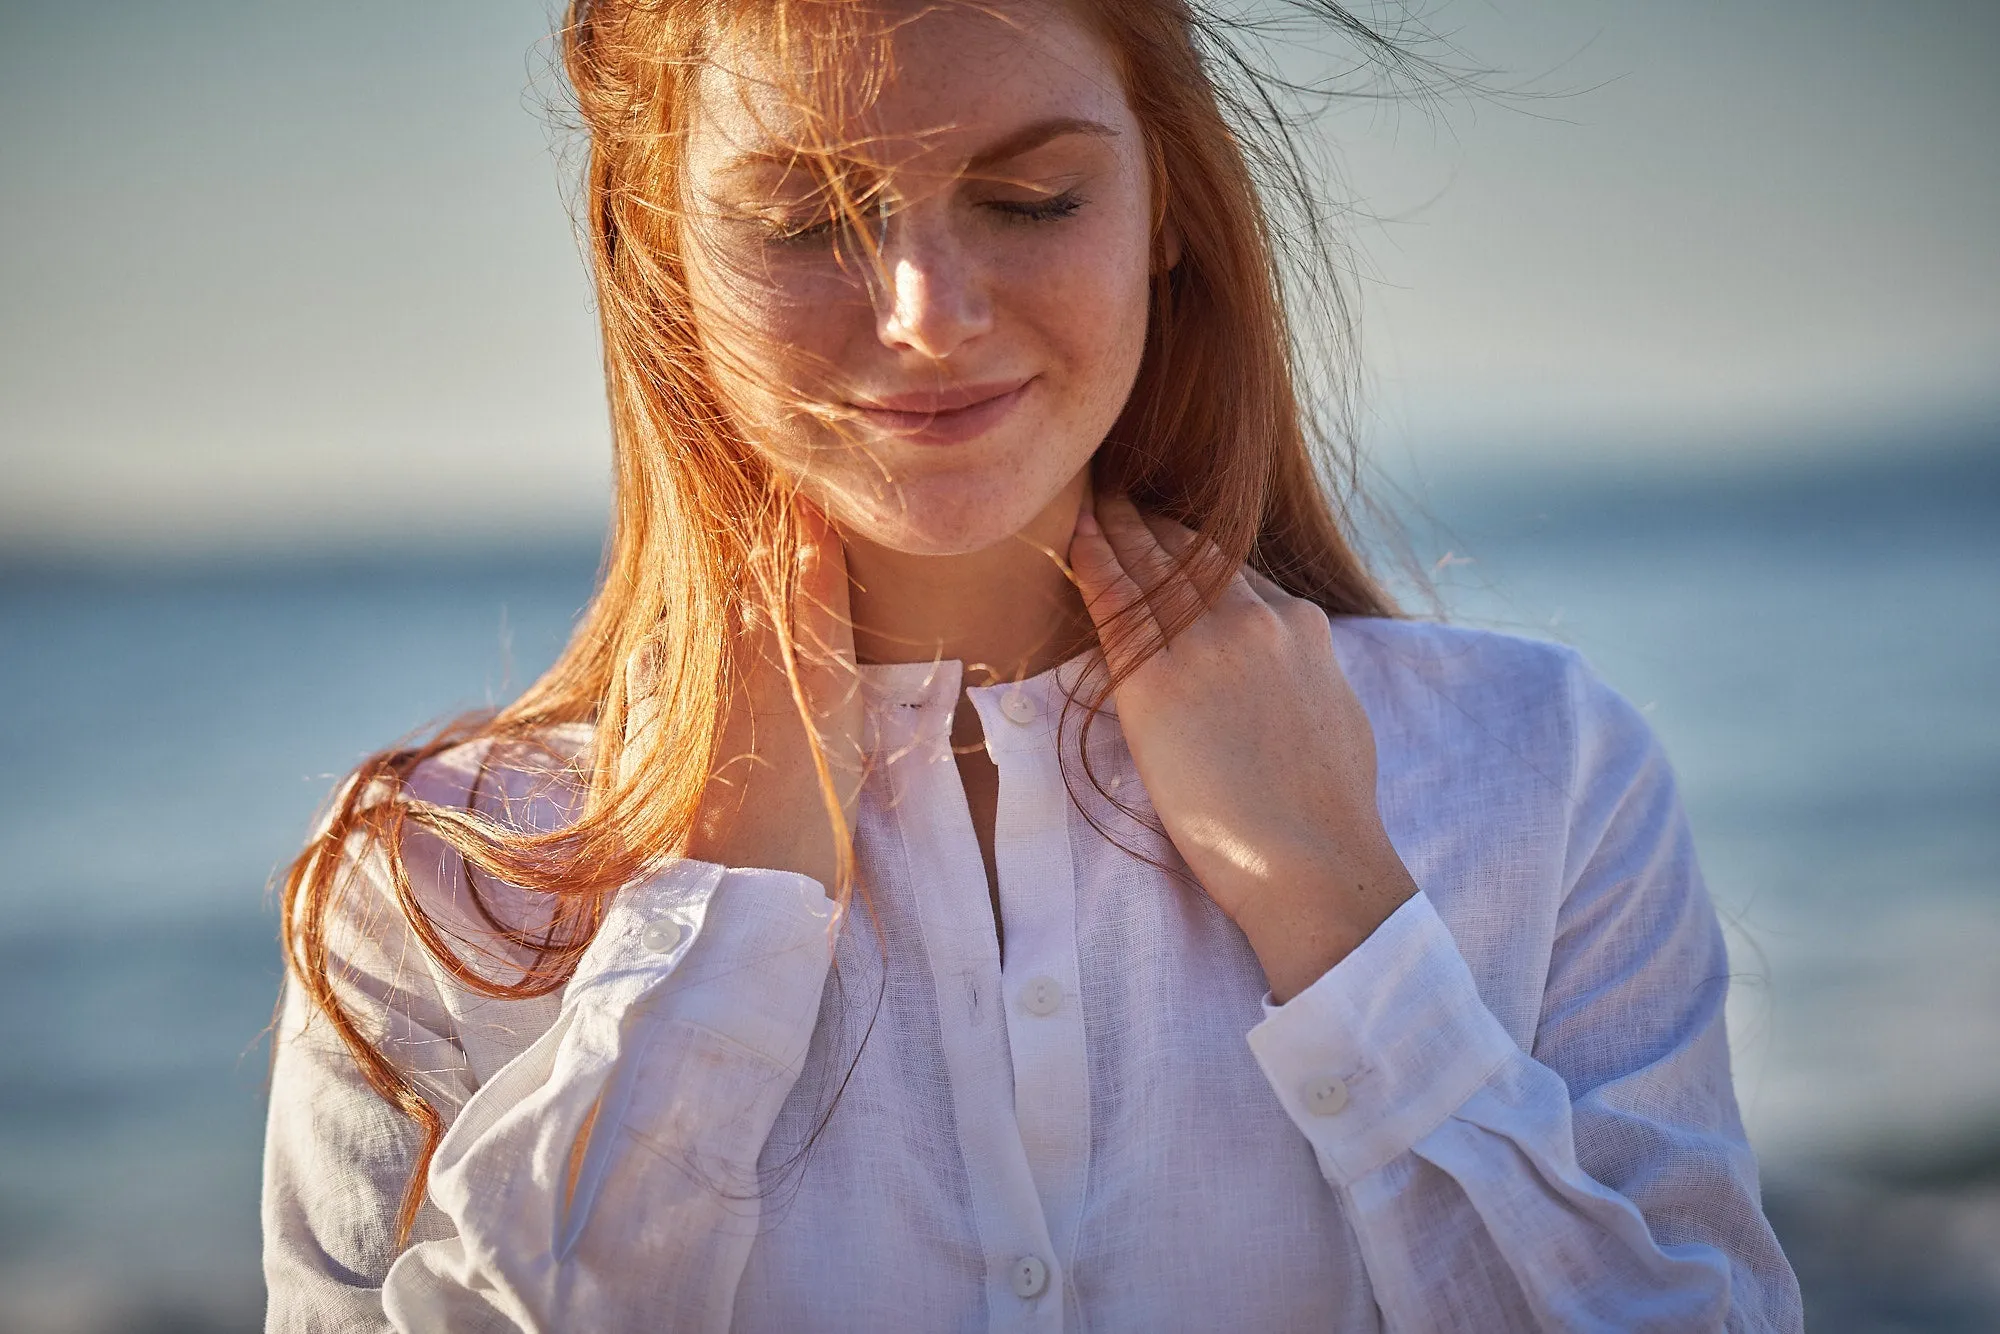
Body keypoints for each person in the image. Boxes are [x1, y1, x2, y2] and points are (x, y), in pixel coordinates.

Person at [260, 0, 1804, 1328]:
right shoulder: (426, 886)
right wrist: (709, 937)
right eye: (805, 221)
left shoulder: (1544, 773)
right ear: (657, 246)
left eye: (1034, 197)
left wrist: (1343, 914)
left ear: (1167, 205)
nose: (929, 315)